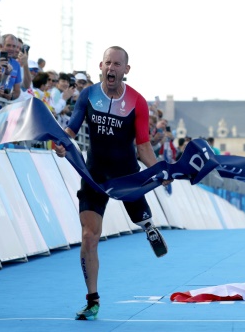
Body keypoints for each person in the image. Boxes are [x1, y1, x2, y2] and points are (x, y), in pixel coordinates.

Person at [53, 46, 168, 321]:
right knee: (89, 237)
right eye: (108, 63)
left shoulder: (138, 102)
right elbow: (71, 131)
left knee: (138, 212)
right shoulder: (89, 94)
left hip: (126, 173)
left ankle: (147, 224)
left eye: (117, 64)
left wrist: (160, 172)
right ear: (101, 66)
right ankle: (92, 300)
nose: (112, 68)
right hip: (94, 174)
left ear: (126, 70)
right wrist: (61, 144)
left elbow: (143, 148)